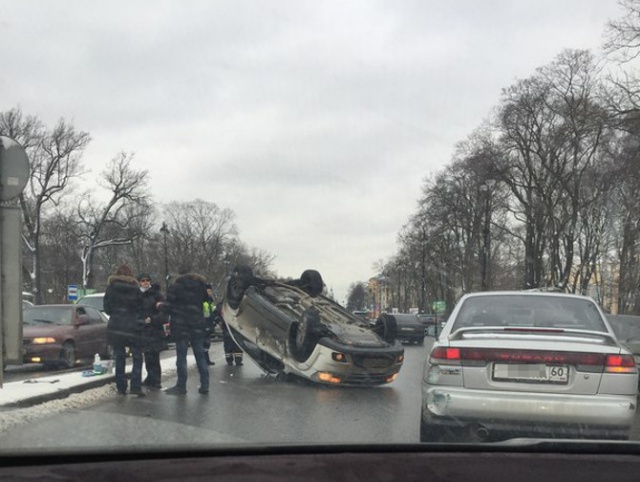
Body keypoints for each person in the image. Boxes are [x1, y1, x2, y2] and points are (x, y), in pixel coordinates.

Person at [162, 266, 210, 395]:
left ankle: (181, 385)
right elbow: (206, 299)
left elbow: (168, 305)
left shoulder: (176, 287)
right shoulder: (200, 285)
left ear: (179, 274)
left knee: (181, 356)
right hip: (197, 324)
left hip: (181, 324)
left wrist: (161, 306)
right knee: (200, 354)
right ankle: (205, 384)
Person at [103, 264, 145, 396]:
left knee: (120, 356)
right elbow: (140, 307)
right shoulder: (135, 289)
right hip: (132, 326)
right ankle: (135, 386)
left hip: (116, 325)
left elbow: (107, 308)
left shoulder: (111, 288)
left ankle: (121, 386)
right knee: (137, 356)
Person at [138, 272, 167, 390]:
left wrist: (152, 319)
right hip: (143, 330)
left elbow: (164, 314)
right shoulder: (137, 295)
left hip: (154, 330)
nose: (145, 283)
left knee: (154, 356)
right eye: (143, 280)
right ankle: (150, 377)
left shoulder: (156, 295)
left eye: (147, 280)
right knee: (147, 356)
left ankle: (156, 380)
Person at [214, 302, 243, 366]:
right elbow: (216, 314)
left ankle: (238, 360)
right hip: (227, 327)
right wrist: (219, 322)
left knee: (237, 345)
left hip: (236, 328)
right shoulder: (221, 305)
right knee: (228, 345)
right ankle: (230, 360)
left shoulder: (238, 304)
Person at [202, 284, 216, 366]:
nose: (210, 292)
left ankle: (206, 360)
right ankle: (203, 360)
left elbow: (212, 311)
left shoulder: (210, 299)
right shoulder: (202, 299)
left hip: (209, 323)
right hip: (204, 324)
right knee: (204, 343)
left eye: (210, 291)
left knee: (207, 343)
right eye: (208, 291)